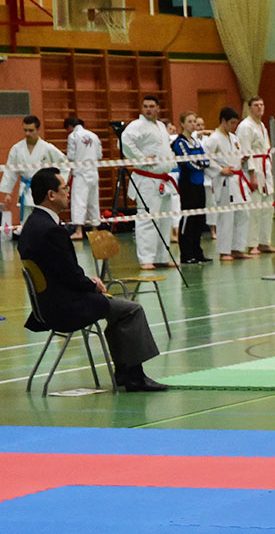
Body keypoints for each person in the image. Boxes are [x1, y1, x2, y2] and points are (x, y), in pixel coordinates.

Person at [20, 168, 166, 391]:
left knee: (116, 311)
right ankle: (135, 377)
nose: (68, 192)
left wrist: (87, 282)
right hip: (66, 306)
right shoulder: (50, 230)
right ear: (51, 195)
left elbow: (60, 271)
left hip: (47, 304)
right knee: (131, 310)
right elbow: (70, 276)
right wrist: (92, 285)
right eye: (64, 188)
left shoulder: (31, 225)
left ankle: (125, 372)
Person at [121, 96, 178, 270]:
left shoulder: (161, 126)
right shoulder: (136, 125)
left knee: (164, 219)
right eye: (145, 106)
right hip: (147, 179)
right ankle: (146, 259)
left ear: (158, 108)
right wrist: (141, 158)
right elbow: (124, 141)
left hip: (163, 179)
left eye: (152, 106)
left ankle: (161, 257)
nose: (148, 109)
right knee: (147, 219)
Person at [205, 107, 254, 261]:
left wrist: (242, 160)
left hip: (237, 180)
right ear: (223, 121)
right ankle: (224, 251)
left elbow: (236, 157)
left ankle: (237, 248)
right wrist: (220, 169)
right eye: (232, 123)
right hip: (224, 181)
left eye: (235, 123)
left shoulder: (233, 138)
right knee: (226, 217)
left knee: (243, 214)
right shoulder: (213, 139)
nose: (234, 126)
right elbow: (205, 159)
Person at [1, 115, 68, 224]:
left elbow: (65, 164)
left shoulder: (47, 148)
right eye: (25, 130)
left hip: (44, 189)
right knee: (26, 221)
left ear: (38, 130)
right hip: (26, 189)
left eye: (31, 130)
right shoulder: (17, 149)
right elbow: (10, 171)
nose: (27, 133)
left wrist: (58, 183)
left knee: (45, 219)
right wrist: (8, 192)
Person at [171, 111, 215, 264]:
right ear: (182, 124)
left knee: (199, 218)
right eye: (189, 121)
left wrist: (202, 164)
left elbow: (205, 159)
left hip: (199, 183)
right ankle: (186, 254)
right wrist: (200, 165)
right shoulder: (180, 142)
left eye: (194, 121)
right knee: (188, 219)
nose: (193, 124)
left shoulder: (196, 142)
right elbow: (189, 163)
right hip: (188, 184)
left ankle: (198, 252)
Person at [237, 96, 275, 255]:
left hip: (265, 168)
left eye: (261, 104)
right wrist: (251, 174)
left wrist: (270, 167)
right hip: (253, 169)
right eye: (256, 105)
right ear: (249, 108)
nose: (260, 107)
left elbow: (267, 149)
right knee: (254, 208)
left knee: (267, 207)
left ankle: (264, 242)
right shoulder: (245, 126)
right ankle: (252, 244)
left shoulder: (262, 125)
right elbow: (245, 152)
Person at [64, 117, 102, 240]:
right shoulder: (94, 136)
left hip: (80, 174)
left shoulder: (73, 136)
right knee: (93, 202)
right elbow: (99, 155)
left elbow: (71, 156)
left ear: (70, 127)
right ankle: (95, 229)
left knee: (78, 202)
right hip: (93, 172)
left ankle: (78, 231)